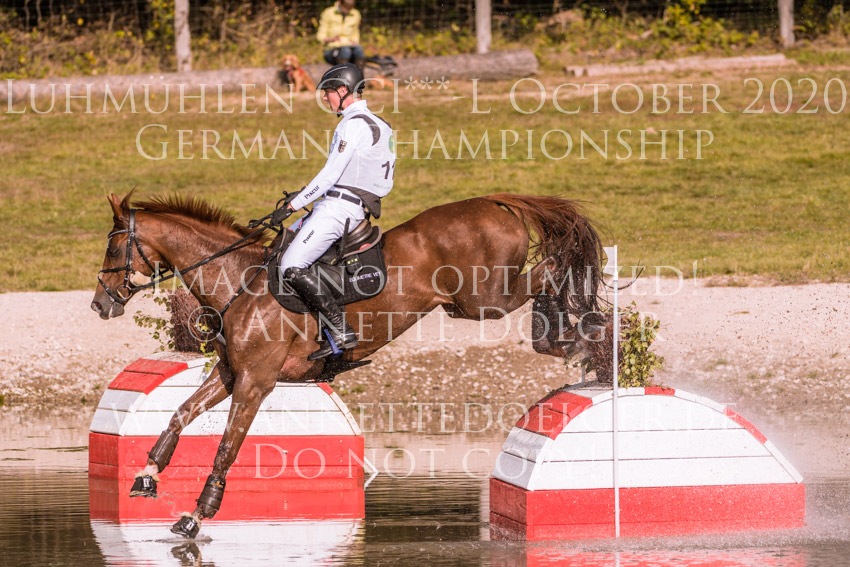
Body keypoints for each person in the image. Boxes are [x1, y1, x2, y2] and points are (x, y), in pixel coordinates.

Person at [272, 63, 396, 361]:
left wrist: (292, 205)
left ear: (343, 90)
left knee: (291, 264)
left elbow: (329, 175)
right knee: (285, 244)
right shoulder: (380, 123)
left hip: (340, 208)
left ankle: (339, 329)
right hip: (350, 204)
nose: (324, 98)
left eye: (327, 92)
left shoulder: (352, 124)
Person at [317, 0, 365, 68]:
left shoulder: (355, 14)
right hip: (332, 48)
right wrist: (330, 39)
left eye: (350, 8)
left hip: (349, 46)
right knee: (345, 51)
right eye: (346, 7)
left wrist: (354, 41)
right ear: (340, 3)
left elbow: (355, 32)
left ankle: (359, 73)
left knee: (359, 50)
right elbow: (320, 35)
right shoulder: (328, 12)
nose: (348, 10)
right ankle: (342, 73)